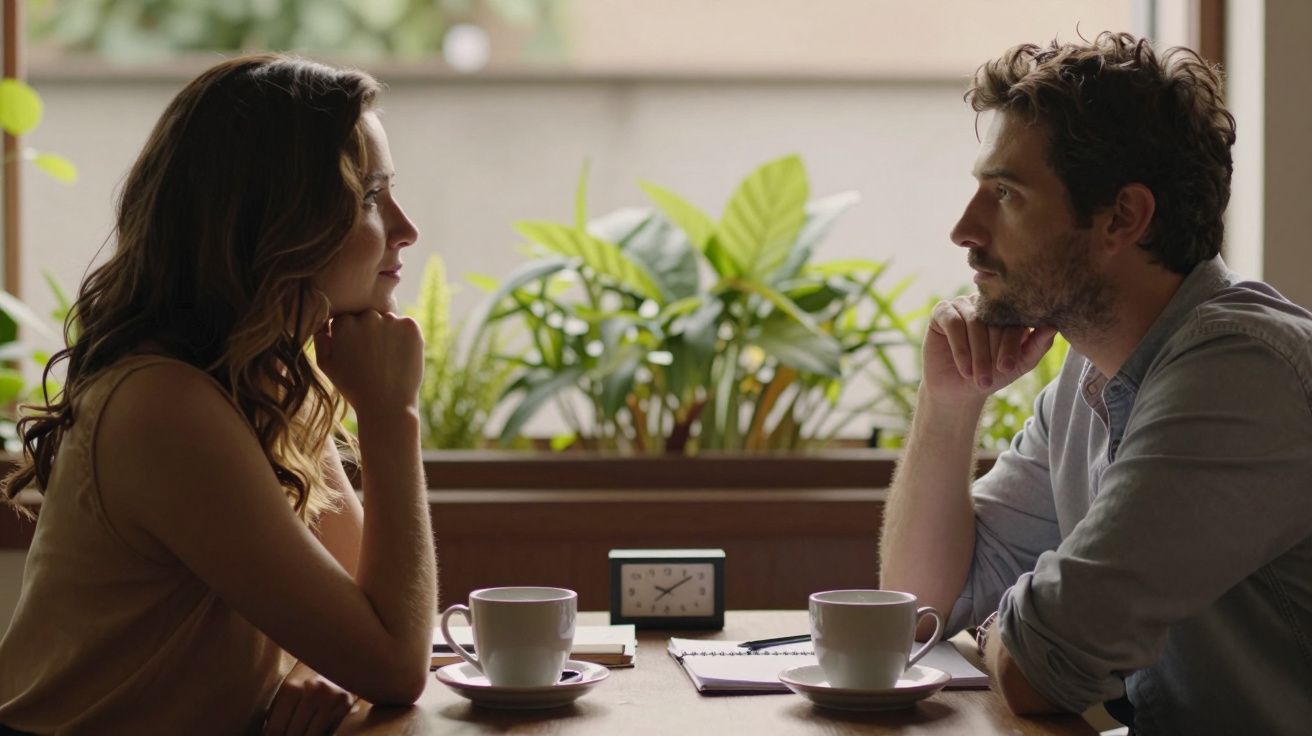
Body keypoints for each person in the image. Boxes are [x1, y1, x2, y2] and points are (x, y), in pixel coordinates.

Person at [879, 32, 1312, 735]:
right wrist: (948, 403)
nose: (964, 230)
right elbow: (919, 605)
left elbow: (1036, 670)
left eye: (1006, 194)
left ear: (1122, 218)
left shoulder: (1239, 375)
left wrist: (1006, 633)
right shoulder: (1092, 374)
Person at [0, 55, 435, 735]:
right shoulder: (162, 406)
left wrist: (316, 666)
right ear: (277, 222)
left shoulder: (258, 380)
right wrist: (391, 415)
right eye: (371, 197)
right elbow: (395, 662)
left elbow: (369, 618)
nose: (406, 228)